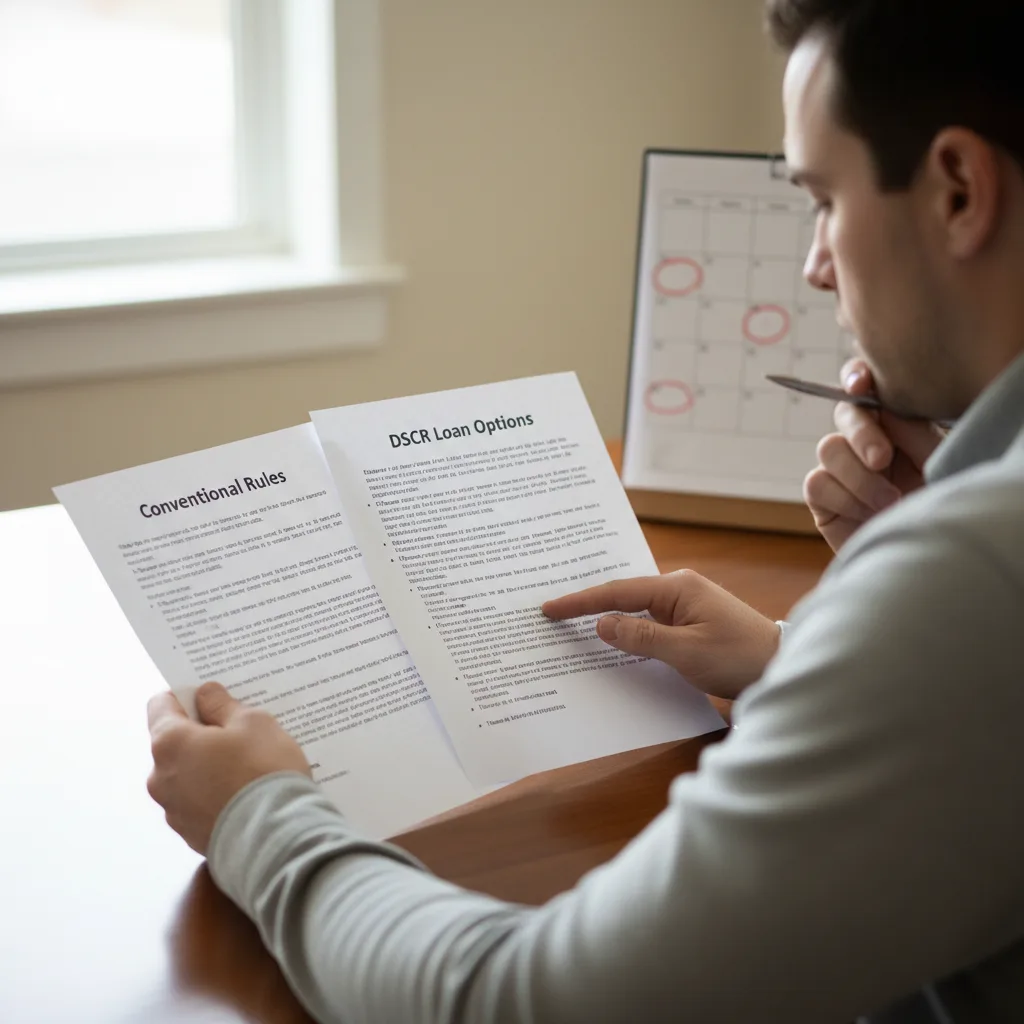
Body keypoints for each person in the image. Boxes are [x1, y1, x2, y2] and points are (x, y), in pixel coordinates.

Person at [145, 1, 1024, 1020]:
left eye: (822, 199)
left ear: (959, 190)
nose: (814, 262)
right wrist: (812, 653)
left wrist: (260, 815)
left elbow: (524, 1004)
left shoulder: (979, 572)